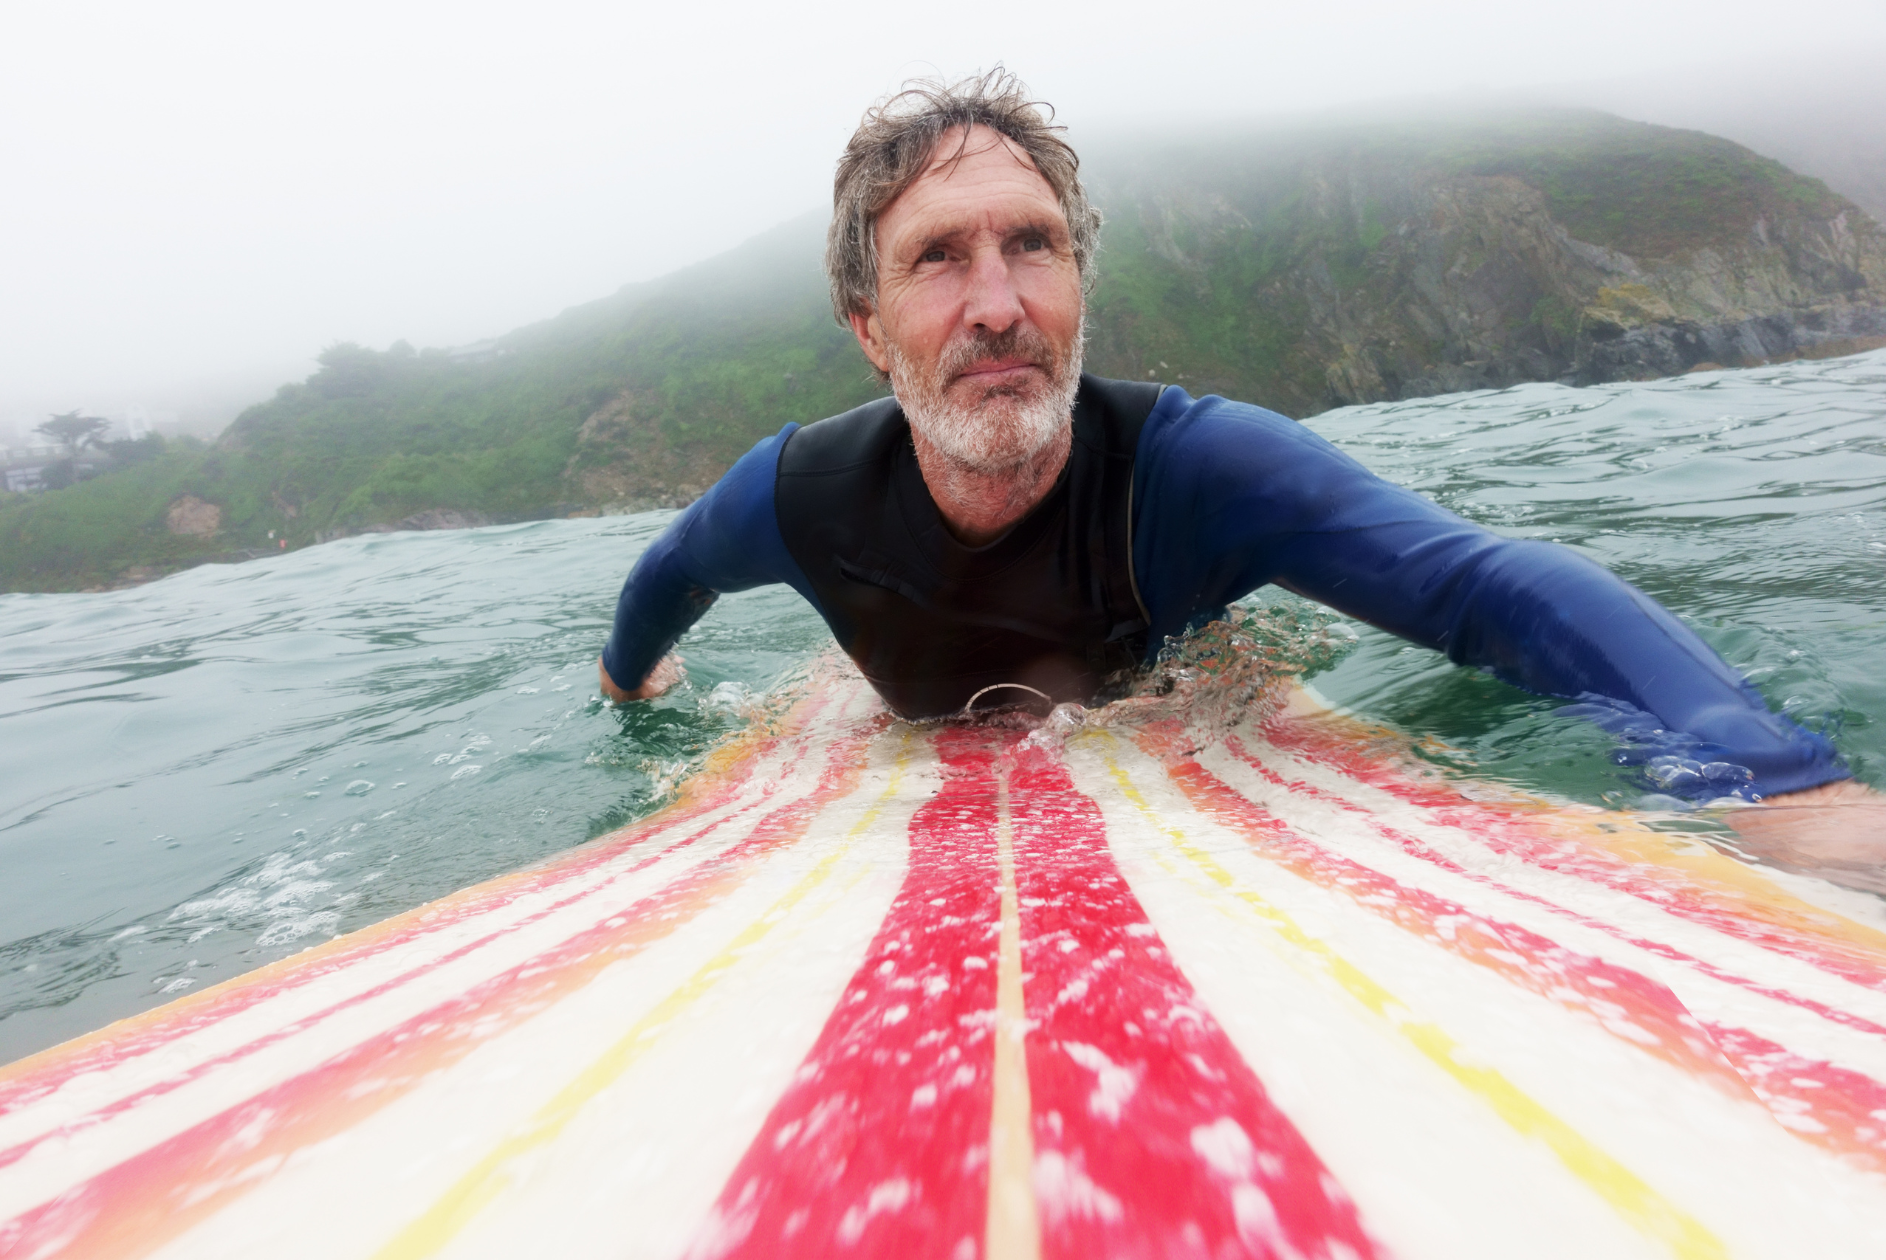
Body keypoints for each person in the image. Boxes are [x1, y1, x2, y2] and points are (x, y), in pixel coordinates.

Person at [597, 71, 1881, 878]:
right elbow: (664, 582)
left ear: (1079, 286)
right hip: (905, 717)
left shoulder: (1199, 470)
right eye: (939, 258)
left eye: (1031, 245)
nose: (997, 302)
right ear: (867, 327)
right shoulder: (797, 495)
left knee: (1224, 671)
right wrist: (631, 684)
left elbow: (1484, 589)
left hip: (1159, 691)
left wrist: (1772, 786)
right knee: (837, 684)